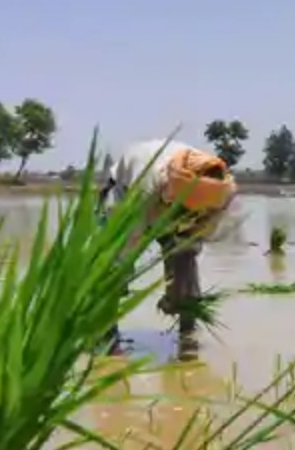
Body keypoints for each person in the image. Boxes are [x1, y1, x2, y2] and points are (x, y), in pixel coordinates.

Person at [99, 137, 238, 353]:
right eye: (185, 211)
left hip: (172, 199)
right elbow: (127, 245)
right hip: (126, 193)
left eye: (196, 213)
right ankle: (106, 339)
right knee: (113, 268)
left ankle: (188, 336)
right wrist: (121, 268)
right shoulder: (146, 187)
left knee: (186, 260)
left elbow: (199, 235)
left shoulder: (221, 192)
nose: (190, 217)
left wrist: (177, 290)